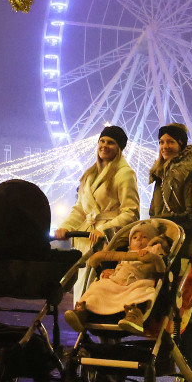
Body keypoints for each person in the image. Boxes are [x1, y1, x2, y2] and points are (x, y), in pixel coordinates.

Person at [148, 122, 192, 374]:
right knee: (167, 309)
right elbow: (154, 211)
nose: (165, 146)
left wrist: (166, 228)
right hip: (166, 247)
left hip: (188, 249)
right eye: (162, 142)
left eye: (170, 142)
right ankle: (169, 364)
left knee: (191, 313)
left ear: (181, 144)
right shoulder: (160, 174)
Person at [53, 125, 140, 300]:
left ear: (119, 148)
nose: (104, 145)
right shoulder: (89, 175)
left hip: (107, 243)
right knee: (81, 288)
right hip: (85, 240)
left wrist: (104, 229)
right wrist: (65, 227)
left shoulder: (125, 174)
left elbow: (131, 213)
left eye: (111, 142)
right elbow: (80, 209)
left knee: (95, 292)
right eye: (102, 141)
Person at [65, 222, 170, 335]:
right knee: (98, 287)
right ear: (130, 243)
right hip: (118, 282)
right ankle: (84, 312)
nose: (139, 239)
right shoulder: (125, 255)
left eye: (144, 237)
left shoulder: (153, 250)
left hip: (138, 282)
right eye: (134, 238)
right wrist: (110, 273)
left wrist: (151, 250)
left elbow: (160, 255)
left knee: (141, 292)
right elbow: (119, 269)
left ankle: (134, 316)